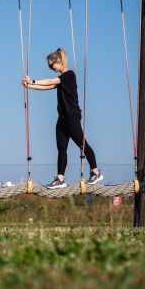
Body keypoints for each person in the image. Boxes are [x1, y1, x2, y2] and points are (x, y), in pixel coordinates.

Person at [21, 47, 103, 189]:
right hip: (63, 118)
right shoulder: (60, 80)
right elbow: (48, 86)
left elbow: (49, 81)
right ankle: (60, 179)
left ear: (58, 61)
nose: (50, 67)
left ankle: (96, 172)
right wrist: (30, 86)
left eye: (51, 65)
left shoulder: (69, 75)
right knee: (61, 149)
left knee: (82, 144)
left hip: (72, 116)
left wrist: (33, 80)